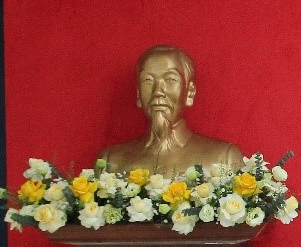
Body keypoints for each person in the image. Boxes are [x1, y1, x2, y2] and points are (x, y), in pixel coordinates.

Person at [99, 44, 243, 176]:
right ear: (138, 94)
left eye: (171, 80)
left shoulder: (224, 158)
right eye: (148, 80)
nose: (158, 91)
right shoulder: (111, 161)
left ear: (190, 92)